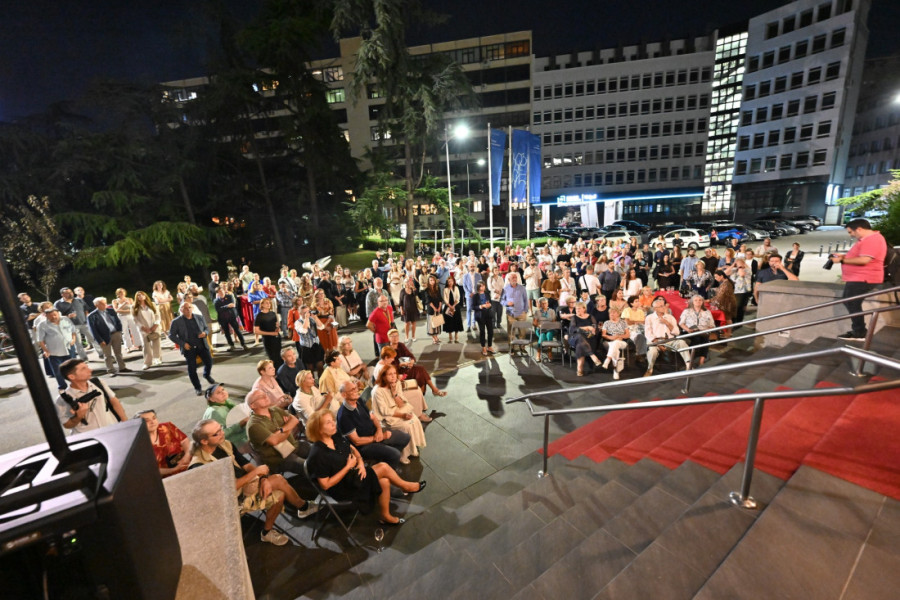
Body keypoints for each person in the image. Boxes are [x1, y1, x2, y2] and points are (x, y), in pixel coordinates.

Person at [189, 419, 317, 546]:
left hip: (245, 484)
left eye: (221, 428)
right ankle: (302, 507)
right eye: (216, 433)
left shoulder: (225, 444)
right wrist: (256, 474)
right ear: (204, 441)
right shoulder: (199, 465)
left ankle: (267, 532)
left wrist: (263, 478)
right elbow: (226, 490)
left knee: (279, 494)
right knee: (278, 480)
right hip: (229, 501)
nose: (222, 433)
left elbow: (246, 464)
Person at [305, 409, 423, 525]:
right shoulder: (317, 454)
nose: (333, 424)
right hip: (341, 487)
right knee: (383, 467)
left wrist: (360, 462)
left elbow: (352, 448)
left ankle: (385, 515)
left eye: (332, 420)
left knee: (385, 480)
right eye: (328, 422)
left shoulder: (335, 435)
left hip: (353, 473)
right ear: (319, 430)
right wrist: (348, 466)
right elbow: (325, 485)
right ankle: (406, 486)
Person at [831, 218, 888, 341]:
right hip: (858, 277)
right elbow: (860, 256)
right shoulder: (868, 239)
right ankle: (859, 330)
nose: (851, 235)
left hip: (864, 277)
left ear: (859, 229)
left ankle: (860, 332)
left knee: (852, 302)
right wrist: (844, 256)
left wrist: (842, 260)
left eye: (851, 232)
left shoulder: (872, 240)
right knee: (849, 301)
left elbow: (864, 260)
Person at [336, 381, 411, 469]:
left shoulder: (358, 400)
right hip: (363, 446)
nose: (357, 390)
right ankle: (385, 474)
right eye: (352, 389)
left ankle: (384, 464)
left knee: (405, 437)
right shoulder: (344, 415)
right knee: (395, 454)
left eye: (356, 387)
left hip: (375, 434)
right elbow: (357, 441)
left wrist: (379, 429)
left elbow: (372, 417)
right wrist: (380, 437)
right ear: (344, 395)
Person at [371, 366, 426, 462]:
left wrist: (394, 393)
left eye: (394, 373)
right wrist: (403, 416)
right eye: (390, 374)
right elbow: (384, 411)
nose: (393, 376)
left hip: (397, 409)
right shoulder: (378, 391)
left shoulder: (397, 384)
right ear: (383, 377)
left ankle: (413, 448)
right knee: (406, 426)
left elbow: (401, 404)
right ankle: (403, 454)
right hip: (386, 416)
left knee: (415, 420)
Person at [56, 359, 126, 434]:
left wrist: (125, 423)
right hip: (88, 437)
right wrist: (79, 416)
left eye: (87, 367)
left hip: (111, 429)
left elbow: (114, 401)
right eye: (83, 369)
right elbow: (67, 425)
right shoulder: (62, 399)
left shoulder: (98, 383)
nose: (90, 370)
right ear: (72, 376)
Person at [247, 388, 307, 474]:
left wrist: (281, 430)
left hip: (293, 446)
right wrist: (288, 427)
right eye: (260, 397)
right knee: (308, 466)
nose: (265, 396)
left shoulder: (274, 409)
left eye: (265, 394)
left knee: (319, 451)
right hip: (279, 457)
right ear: (252, 406)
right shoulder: (254, 425)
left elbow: (295, 420)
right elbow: (275, 441)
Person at [168, 302, 215, 395]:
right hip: (189, 348)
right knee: (192, 369)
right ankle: (197, 387)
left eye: (189, 307)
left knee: (209, 362)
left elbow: (206, 328)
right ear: (181, 310)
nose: (188, 309)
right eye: (185, 308)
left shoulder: (199, 317)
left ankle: (206, 374)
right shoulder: (176, 321)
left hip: (202, 345)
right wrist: (182, 344)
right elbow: (171, 335)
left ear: (192, 308)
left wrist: (205, 333)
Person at [385, 330, 445, 399]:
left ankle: (423, 395)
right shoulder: (387, 349)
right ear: (389, 338)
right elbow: (388, 366)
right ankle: (434, 390)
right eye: (393, 336)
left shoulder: (401, 345)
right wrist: (400, 364)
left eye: (397, 336)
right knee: (421, 372)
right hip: (397, 372)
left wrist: (412, 361)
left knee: (421, 370)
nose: (395, 338)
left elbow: (410, 355)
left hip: (406, 367)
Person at [134, 410, 191, 478]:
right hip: (165, 477)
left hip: (187, 464)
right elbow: (149, 470)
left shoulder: (167, 427)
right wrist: (173, 470)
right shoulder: (138, 444)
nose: (152, 422)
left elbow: (184, 440)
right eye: (147, 421)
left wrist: (187, 455)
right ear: (138, 424)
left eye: (154, 418)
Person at [643, 298, 691, 377]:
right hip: (655, 341)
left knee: (682, 343)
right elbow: (648, 333)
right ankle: (649, 369)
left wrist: (667, 323)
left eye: (664, 305)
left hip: (669, 340)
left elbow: (677, 332)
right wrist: (658, 343)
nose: (664, 307)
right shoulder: (649, 318)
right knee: (652, 352)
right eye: (661, 306)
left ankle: (688, 366)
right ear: (655, 308)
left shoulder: (670, 317)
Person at [37, 308, 77, 391]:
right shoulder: (42, 324)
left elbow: (73, 331)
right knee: (58, 371)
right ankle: (62, 386)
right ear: (46, 316)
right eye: (51, 316)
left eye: (55, 315)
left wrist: (73, 340)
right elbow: (40, 340)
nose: (54, 317)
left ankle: (76, 383)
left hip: (69, 348)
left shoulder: (66, 319)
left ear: (58, 313)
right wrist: (46, 350)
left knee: (73, 368)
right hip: (54, 351)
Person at [87, 297, 128, 376]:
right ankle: (111, 370)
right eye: (102, 303)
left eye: (105, 302)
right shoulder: (91, 316)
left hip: (116, 334)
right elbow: (93, 330)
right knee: (107, 355)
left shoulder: (111, 311)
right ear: (96, 305)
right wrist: (99, 340)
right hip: (104, 337)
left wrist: (119, 331)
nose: (105, 305)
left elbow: (117, 321)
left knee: (118, 353)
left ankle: (122, 367)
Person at [202, 383, 248, 448]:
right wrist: (240, 424)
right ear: (212, 399)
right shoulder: (215, 412)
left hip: (235, 431)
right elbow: (220, 434)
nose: (223, 393)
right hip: (227, 441)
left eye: (223, 390)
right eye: (218, 393)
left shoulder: (226, 401)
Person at [54, 287, 92, 361]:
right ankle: (84, 358)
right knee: (78, 343)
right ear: (62, 294)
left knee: (92, 339)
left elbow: (86, 309)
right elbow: (56, 316)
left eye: (70, 292)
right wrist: (67, 316)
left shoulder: (79, 300)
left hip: (84, 323)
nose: (70, 293)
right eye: (67, 293)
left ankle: (101, 354)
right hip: (71, 326)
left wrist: (87, 319)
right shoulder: (58, 303)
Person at [678, 294, 716, 366]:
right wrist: (688, 329)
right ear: (692, 302)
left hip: (703, 331)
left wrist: (706, 330)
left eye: (700, 300)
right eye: (696, 300)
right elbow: (681, 323)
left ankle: (700, 360)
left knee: (704, 338)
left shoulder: (707, 312)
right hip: (689, 331)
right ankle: (690, 360)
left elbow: (712, 325)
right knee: (699, 338)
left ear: (702, 302)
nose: (698, 302)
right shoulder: (687, 311)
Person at [568, 302, 604, 376]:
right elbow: (572, 329)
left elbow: (595, 328)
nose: (577, 310)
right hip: (575, 338)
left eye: (579, 309)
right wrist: (587, 327)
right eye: (576, 309)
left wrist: (594, 331)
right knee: (580, 337)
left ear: (584, 309)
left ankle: (579, 369)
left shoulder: (590, 316)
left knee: (580, 345)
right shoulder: (574, 317)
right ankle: (592, 355)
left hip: (589, 338)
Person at [132, 291, 162, 370]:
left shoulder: (152, 304)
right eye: (138, 295)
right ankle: (147, 363)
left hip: (154, 327)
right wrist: (143, 328)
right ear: (136, 298)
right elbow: (135, 320)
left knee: (156, 344)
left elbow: (158, 316)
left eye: (142, 295)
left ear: (145, 296)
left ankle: (157, 359)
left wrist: (155, 325)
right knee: (146, 346)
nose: (140, 296)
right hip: (143, 329)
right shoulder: (134, 307)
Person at [293, 303, 325, 377]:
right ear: (300, 313)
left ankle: (321, 382)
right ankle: (312, 383)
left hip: (316, 345)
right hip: (306, 347)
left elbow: (321, 327)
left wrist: (316, 318)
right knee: (310, 368)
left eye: (308, 311)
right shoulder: (297, 322)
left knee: (320, 366)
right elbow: (304, 331)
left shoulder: (312, 319)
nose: (307, 313)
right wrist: (306, 318)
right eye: (305, 312)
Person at [600, 307, 630, 380]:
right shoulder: (607, 323)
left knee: (616, 343)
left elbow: (628, 335)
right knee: (615, 346)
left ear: (618, 314)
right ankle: (616, 371)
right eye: (610, 313)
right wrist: (612, 337)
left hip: (622, 342)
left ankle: (608, 360)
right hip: (609, 342)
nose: (611, 314)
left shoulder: (623, 322)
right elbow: (603, 335)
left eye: (613, 312)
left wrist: (619, 336)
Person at [501, 272, 529, 347]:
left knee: (522, 332)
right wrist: (507, 303)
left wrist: (525, 311)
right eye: (513, 277)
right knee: (511, 332)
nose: (514, 279)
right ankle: (511, 348)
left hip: (521, 313)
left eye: (515, 277)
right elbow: (502, 300)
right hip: (511, 314)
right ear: (509, 279)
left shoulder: (522, 288)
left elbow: (526, 299)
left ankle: (522, 347)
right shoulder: (505, 288)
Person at [254, 297, 283, 369]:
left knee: (279, 356)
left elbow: (276, 324)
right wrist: (271, 333)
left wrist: (278, 328)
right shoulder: (259, 316)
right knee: (272, 358)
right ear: (262, 305)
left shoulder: (272, 313)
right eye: (266, 303)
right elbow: (256, 331)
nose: (268, 304)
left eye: (269, 303)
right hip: (268, 340)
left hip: (276, 338)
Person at [214, 287, 245, 351]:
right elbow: (218, 310)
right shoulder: (216, 301)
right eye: (219, 291)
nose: (221, 292)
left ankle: (243, 344)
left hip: (232, 317)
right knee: (227, 333)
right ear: (218, 293)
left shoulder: (230, 296)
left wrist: (223, 307)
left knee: (237, 330)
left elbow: (233, 305)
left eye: (222, 290)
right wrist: (227, 306)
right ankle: (231, 345)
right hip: (223, 319)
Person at [113, 288, 142, 353]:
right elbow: (116, 310)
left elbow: (134, 308)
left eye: (123, 292)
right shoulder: (115, 301)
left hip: (130, 316)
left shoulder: (129, 299)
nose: (122, 293)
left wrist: (124, 310)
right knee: (125, 331)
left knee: (135, 330)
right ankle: (128, 346)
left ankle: (139, 344)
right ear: (117, 293)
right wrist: (124, 305)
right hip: (121, 317)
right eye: (120, 292)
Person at [471, 281, 495, 356]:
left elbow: (490, 303)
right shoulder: (475, 296)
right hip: (480, 315)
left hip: (488, 314)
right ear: (478, 287)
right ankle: (483, 347)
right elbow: (473, 307)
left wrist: (489, 305)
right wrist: (481, 306)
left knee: (490, 331)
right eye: (481, 286)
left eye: (484, 286)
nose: (483, 287)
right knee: (482, 332)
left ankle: (490, 346)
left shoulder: (487, 294)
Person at [532, 297, 557, 362]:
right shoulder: (537, 312)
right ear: (540, 304)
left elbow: (554, 322)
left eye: (545, 303)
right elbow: (534, 323)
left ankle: (549, 353)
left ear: (548, 303)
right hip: (540, 329)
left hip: (550, 329)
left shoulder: (552, 311)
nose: (544, 305)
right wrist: (539, 325)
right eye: (542, 304)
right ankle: (538, 354)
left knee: (549, 335)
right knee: (542, 335)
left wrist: (549, 326)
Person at [441, 274, 463, 343]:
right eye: (449, 281)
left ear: (453, 282)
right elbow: (445, 298)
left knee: (456, 320)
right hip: (448, 306)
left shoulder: (456, 288)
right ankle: (450, 335)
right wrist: (449, 305)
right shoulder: (445, 289)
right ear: (447, 282)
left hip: (455, 305)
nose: (450, 283)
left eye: (451, 281)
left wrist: (454, 305)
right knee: (449, 321)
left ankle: (456, 335)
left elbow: (458, 297)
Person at [462, 263, 482, 332]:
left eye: (473, 266)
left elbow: (481, 284)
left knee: (476, 310)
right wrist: (468, 293)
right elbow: (464, 286)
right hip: (469, 295)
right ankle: (468, 325)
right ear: (468, 267)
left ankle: (474, 324)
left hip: (477, 295)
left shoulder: (478, 275)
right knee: (469, 310)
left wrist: (479, 292)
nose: (472, 267)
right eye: (471, 266)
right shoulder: (465, 276)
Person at [424, 275, 444, 344]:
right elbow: (428, 301)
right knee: (431, 324)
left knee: (437, 323)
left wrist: (439, 307)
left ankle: (436, 337)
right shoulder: (426, 290)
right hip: (431, 309)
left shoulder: (437, 288)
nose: (432, 282)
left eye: (433, 280)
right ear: (428, 282)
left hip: (438, 308)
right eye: (430, 280)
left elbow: (440, 298)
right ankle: (434, 338)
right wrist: (434, 308)